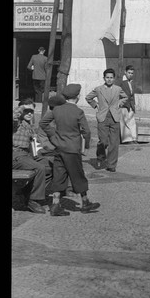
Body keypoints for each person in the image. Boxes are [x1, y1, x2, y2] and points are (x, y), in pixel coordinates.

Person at [39, 83, 100, 215]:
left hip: (59, 148)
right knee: (78, 175)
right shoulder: (78, 111)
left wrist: (53, 136)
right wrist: (87, 145)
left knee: (59, 176)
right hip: (72, 149)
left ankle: (55, 205)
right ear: (77, 97)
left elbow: (43, 123)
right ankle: (85, 202)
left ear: (65, 96)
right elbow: (87, 132)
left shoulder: (56, 109)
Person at [86, 69, 129, 171]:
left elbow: (125, 97)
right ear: (104, 78)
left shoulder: (118, 89)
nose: (109, 80)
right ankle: (100, 157)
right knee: (103, 141)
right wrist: (95, 105)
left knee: (114, 143)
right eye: (107, 78)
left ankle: (111, 165)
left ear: (114, 79)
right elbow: (88, 98)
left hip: (114, 117)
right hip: (103, 117)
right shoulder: (98, 89)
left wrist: (119, 103)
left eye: (111, 78)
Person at [12, 104, 52, 214]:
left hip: (27, 155)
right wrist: (22, 108)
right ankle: (32, 200)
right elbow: (14, 116)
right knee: (39, 168)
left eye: (32, 111)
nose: (30, 113)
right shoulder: (16, 123)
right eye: (27, 111)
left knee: (50, 166)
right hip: (16, 155)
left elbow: (39, 141)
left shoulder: (29, 126)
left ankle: (26, 193)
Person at [118, 65, 138, 144]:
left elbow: (132, 94)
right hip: (124, 105)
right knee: (124, 122)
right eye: (129, 73)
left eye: (132, 73)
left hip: (131, 105)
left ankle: (134, 138)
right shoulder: (121, 82)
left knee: (132, 122)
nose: (130, 74)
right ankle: (126, 139)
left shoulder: (131, 82)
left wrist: (134, 105)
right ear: (125, 72)